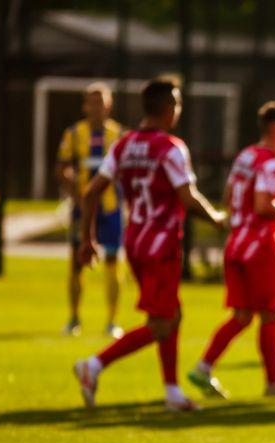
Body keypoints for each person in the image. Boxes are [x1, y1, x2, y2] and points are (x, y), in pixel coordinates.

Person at [73, 77, 226, 411]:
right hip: (161, 246)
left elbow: (90, 192)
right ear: (170, 109)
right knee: (162, 323)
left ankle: (172, 391)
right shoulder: (170, 147)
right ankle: (93, 365)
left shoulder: (124, 145)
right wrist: (217, 219)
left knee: (172, 313)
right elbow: (187, 198)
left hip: (136, 243)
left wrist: (88, 239)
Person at [188, 102, 275, 399]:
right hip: (261, 249)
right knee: (270, 315)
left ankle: (203, 367)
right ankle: (274, 383)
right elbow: (264, 204)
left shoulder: (245, 156)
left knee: (241, 316)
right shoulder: (271, 161)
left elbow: (229, 196)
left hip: (236, 244)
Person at [56, 82, 125, 338]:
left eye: (101, 101)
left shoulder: (119, 135)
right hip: (82, 210)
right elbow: (62, 168)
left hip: (111, 208)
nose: (96, 107)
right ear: (85, 106)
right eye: (92, 102)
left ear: (109, 105)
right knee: (76, 262)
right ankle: (74, 318)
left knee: (112, 260)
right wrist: (77, 194)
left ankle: (112, 321)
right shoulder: (74, 134)